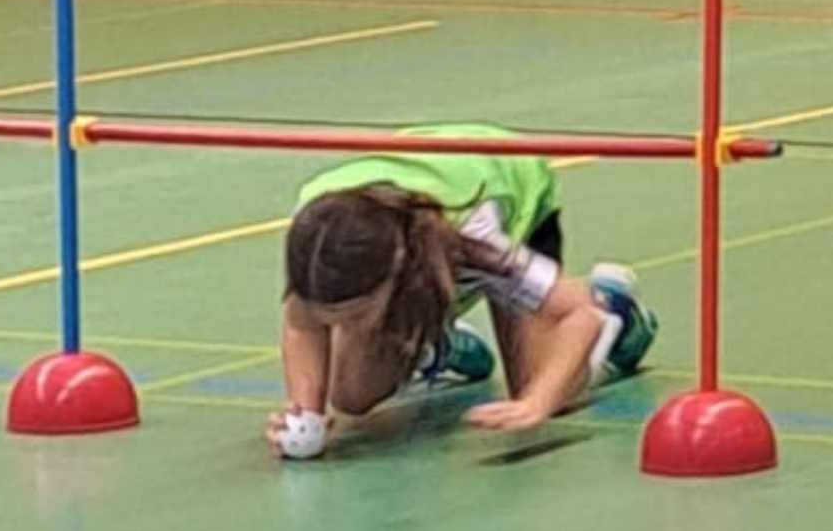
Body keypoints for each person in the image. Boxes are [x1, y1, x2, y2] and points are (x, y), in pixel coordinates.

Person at [269, 125, 656, 459]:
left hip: (507, 179)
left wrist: (538, 402)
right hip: (430, 180)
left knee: (544, 386)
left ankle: (616, 307)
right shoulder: (317, 235)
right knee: (351, 396)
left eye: (354, 315)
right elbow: (301, 321)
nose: (343, 330)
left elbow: (580, 315)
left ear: (396, 273)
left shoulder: (475, 240)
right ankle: (437, 345)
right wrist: (306, 414)